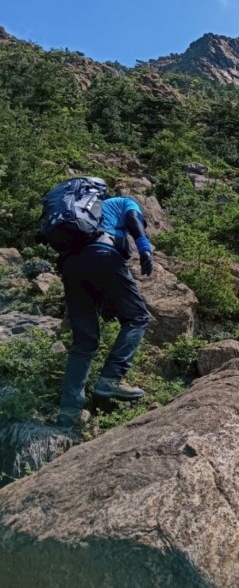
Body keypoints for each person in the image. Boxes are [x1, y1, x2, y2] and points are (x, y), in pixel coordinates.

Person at [56, 179, 154, 430]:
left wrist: (108, 303)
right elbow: (133, 220)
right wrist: (144, 247)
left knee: (84, 342)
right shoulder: (125, 202)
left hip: (70, 266)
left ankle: (69, 411)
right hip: (103, 255)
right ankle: (111, 379)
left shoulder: (84, 218)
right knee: (137, 318)